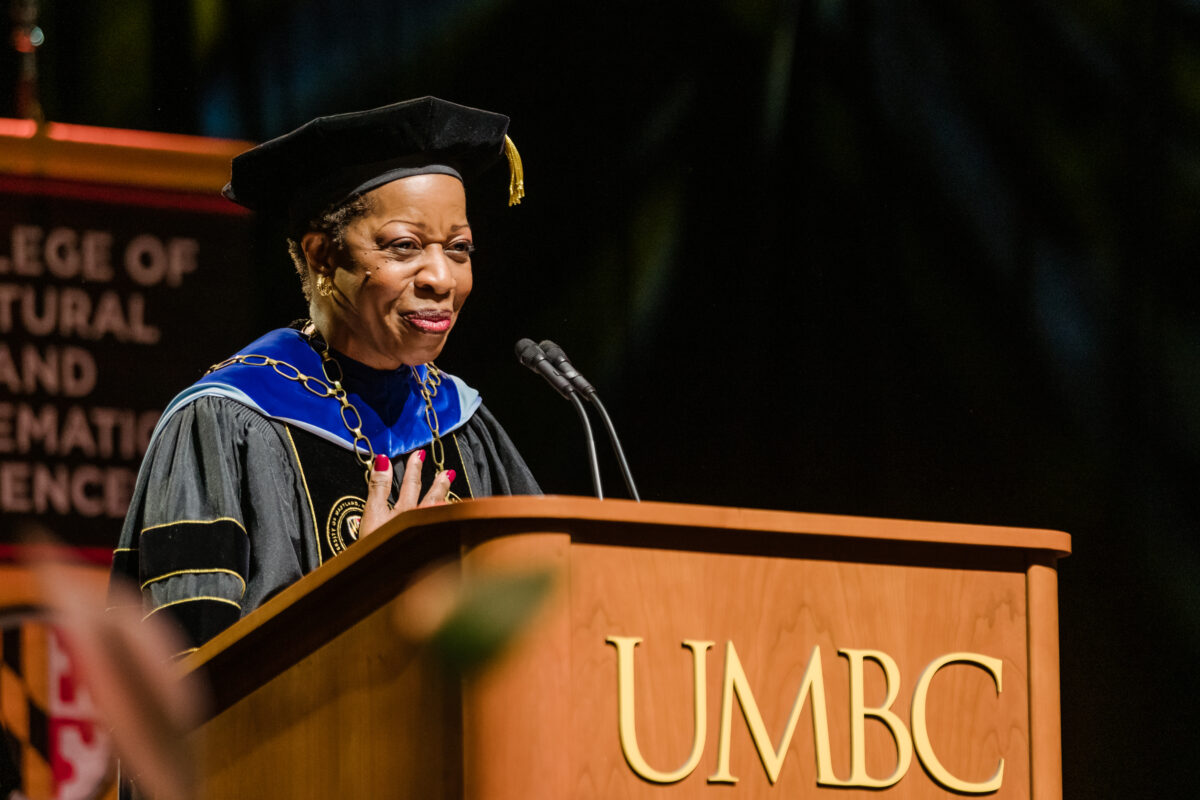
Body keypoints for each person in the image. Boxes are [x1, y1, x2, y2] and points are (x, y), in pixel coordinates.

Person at [109, 97, 540, 655]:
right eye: (404, 246)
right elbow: (186, 677)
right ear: (320, 255)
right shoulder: (227, 422)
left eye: (459, 249)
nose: (441, 276)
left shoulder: (464, 424)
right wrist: (361, 592)